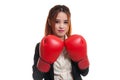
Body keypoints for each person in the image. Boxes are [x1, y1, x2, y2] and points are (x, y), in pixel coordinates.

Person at [32, 5, 90, 80]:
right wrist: (44, 61)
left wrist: (82, 59)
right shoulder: (41, 46)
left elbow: (85, 73)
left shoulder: (76, 43)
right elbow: (37, 78)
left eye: (65, 22)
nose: (61, 26)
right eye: (57, 22)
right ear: (50, 22)